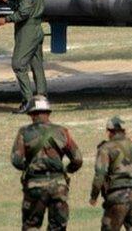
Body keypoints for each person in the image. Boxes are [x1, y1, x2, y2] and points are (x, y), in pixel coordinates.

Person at [10, 96, 82, 231]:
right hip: (58, 186)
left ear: (31, 114)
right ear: (48, 113)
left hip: (34, 186)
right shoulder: (62, 131)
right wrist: (67, 170)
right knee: (58, 227)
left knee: (31, 225)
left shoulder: (24, 132)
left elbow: (16, 160)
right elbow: (77, 159)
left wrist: (29, 167)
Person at [0, 0, 47, 114]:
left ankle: (27, 101)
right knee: (36, 64)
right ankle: (42, 98)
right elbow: (24, 8)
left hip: (28, 31)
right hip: (37, 29)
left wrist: (5, 20)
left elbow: (23, 13)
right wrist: (7, 2)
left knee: (18, 64)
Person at [89, 117, 132, 231]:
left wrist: (93, 197)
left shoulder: (105, 149)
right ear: (125, 131)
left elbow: (100, 175)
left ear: (109, 132)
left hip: (116, 197)